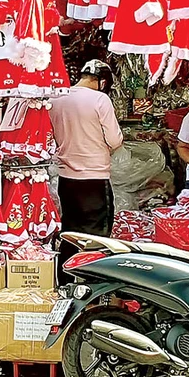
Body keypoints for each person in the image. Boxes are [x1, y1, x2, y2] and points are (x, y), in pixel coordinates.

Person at [49, 60, 123, 285]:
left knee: (70, 231)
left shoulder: (57, 98)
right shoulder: (100, 99)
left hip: (66, 178)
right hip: (95, 177)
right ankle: (93, 284)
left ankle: (65, 280)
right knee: (97, 237)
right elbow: (114, 139)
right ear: (102, 82)